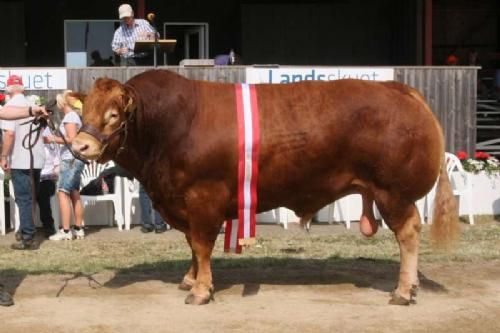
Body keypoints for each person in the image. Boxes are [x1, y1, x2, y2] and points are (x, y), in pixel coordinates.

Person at [0, 83, 47, 307]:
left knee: (25, 199)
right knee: (28, 198)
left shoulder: (14, 105)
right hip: (29, 162)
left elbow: (5, 114)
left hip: (24, 161)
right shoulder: (19, 101)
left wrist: (32, 111)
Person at [0, 75, 45, 251]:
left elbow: (9, 135)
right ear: (23, 88)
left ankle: (28, 237)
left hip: (20, 158)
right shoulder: (32, 105)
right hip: (37, 157)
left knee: (23, 198)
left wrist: (3, 156)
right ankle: (24, 229)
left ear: (8, 90)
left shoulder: (9, 107)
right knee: (31, 197)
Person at [45, 91, 85, 241]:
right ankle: (78, 228)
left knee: (62, 193)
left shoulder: (70, 117)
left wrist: (51, 139)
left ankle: (66, 230)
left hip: (69, 159)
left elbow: (71, 139)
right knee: (74, 192)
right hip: (76, 158)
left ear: (63, 103)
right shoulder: (75, 116)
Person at [37, 128, 60, 238]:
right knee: (27, 196)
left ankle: (48, 227)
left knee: (42, 193)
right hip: (33, 177)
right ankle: (25, 227)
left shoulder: (52, 145)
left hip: (47, 179)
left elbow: (57, 165)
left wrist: (54, 175)